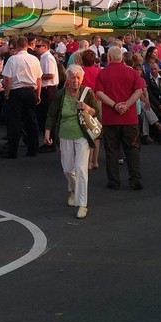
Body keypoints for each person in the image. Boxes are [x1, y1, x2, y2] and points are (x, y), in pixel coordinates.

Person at [43, 64, 101, 219]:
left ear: (82, 78)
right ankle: (73, 189)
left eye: (78, 77)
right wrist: (47, 130)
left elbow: (96, 112)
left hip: (82, 135)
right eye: (73, 77)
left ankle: (82, 204)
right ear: (67, 79)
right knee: (68, 169)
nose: (76, 80)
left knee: (81, 169)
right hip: (64, 134)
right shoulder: (61, 94)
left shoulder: (87, 92)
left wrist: (86, 107)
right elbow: (52, 113)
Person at [94, 47, 145, 191]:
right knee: (132, 149)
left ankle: (114, 181)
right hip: (129, 118)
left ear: (109, 57)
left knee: (112, 151)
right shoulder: (132, 72)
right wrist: (127, 104)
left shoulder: (103, 73)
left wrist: (114, 105)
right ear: (121, 57)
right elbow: (139, 90)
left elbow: (99, 93)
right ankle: (135, 179)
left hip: (110, 118)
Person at [1, 37, 43, 159]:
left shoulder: (12, 59)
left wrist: (7, 94)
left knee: (15, 121)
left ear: (17, 46)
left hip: (16, 91)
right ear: (27, 45)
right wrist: (38, 94)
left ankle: (12, 151)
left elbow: (7, 79)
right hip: (30, 91)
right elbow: (39, 79)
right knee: (31, 120)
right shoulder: (34, 59)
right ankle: (33, 148)